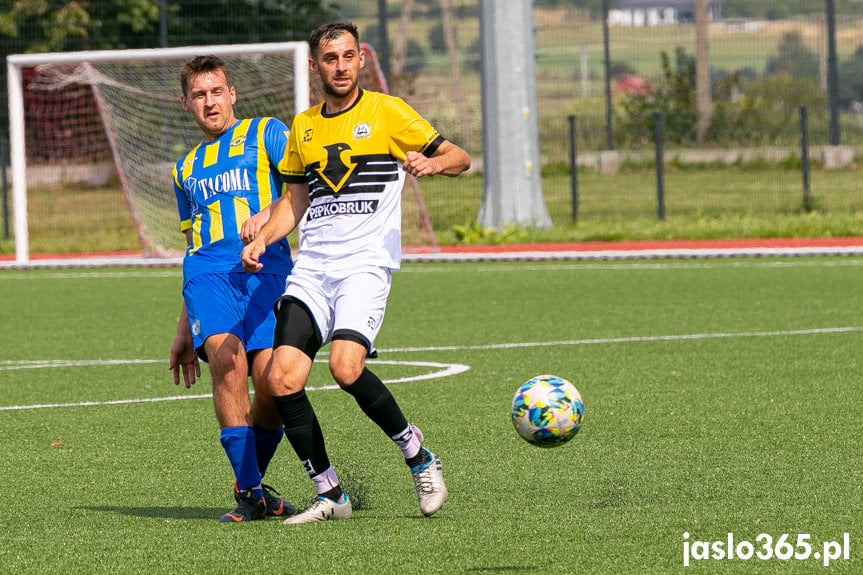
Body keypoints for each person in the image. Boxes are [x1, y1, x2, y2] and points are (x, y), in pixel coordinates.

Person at [240, 21, 470, 524]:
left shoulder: (387, 111)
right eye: (330, 58)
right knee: (281, 380)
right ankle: (332, 496)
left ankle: (419, 457)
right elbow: (295, 200)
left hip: (365, 265)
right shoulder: (302, 127)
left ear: (361, 59)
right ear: (314, 65)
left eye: (348, 56)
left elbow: (459, 156)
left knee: (345, 368)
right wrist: (263, 237)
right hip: (313, 269)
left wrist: (434, 165)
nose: (340, 67)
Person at [169, 55, 297, 523]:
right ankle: (249, 492)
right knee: (226, 359)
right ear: (186, 103)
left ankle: (254, 487)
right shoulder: (184, 168)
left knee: (274, 387)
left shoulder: (269, 134)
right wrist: (185, 326)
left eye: (217, 91)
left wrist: (267, 218)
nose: (210, 102)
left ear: (232, 95)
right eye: (199, 95)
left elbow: (300, 192)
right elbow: (189, 242)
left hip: (267, 270)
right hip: (207, 276)